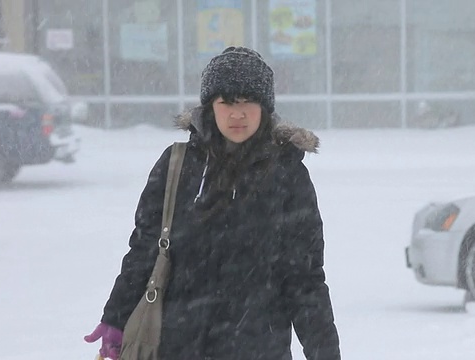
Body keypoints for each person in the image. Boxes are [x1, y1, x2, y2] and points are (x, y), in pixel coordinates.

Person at [84, 46, 341, 360]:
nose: (237, 113)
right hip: (177, 346)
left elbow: (304, 278)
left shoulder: (287, 175)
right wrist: (117, 317)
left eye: (248, 101)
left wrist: (325, 352)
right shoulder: (177, 165)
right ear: (209, 106)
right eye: (227, 102)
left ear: (265, 107)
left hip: (259, 348)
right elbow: (145, 249)